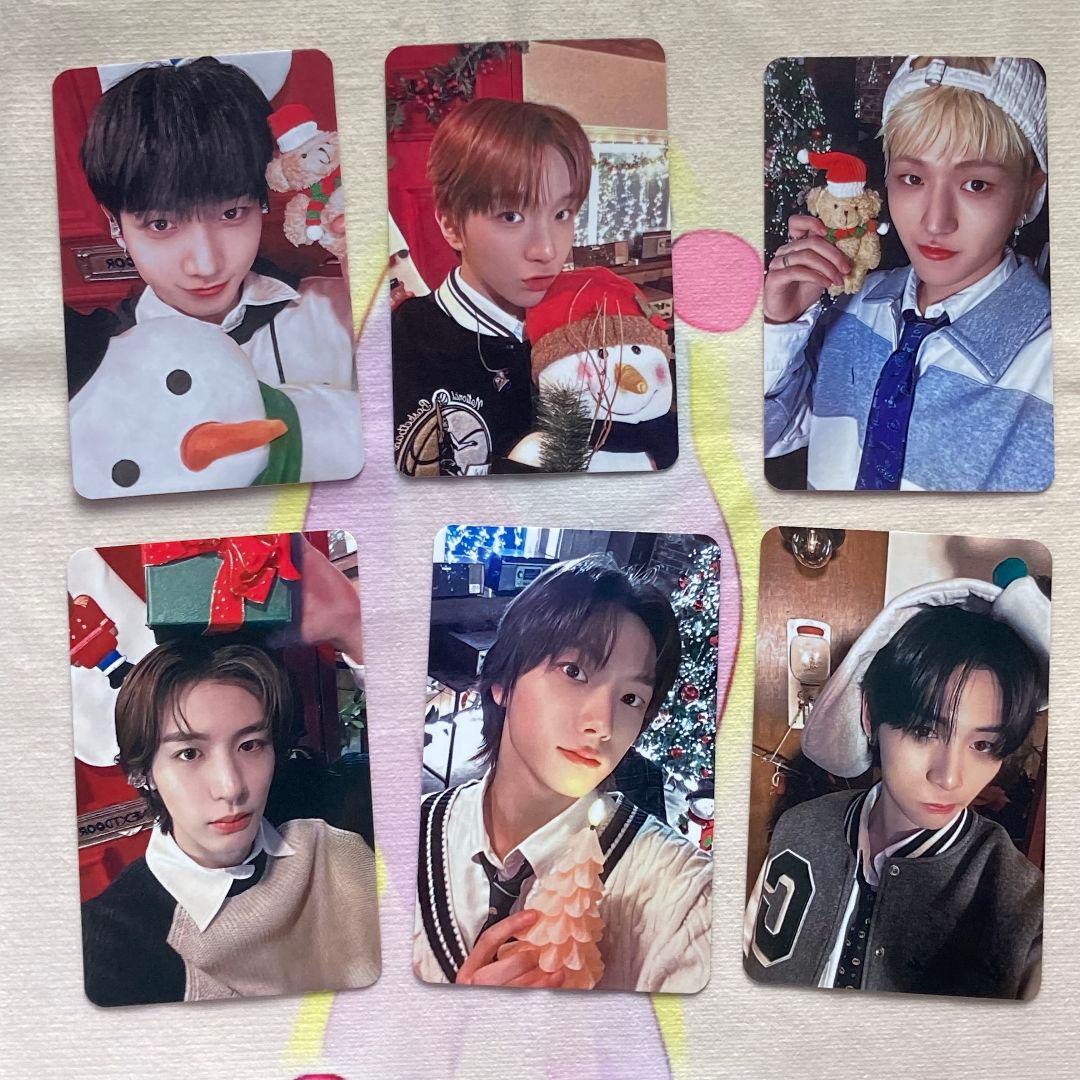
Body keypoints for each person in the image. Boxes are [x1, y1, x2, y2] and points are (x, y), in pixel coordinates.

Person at [414, 555, 713, 992]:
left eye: (631, 698)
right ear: (503, 682)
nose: (603, 724)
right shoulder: (411, 834)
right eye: (575, 672)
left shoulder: (679, 892)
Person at [64, 56, 362, 494]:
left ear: (262, 202)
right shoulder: (98, 376)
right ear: (115, 224)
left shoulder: (341, 312)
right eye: (161, 224)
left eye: (231, 213)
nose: (205, 264)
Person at [744, 575, 1049, 998]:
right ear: (871, 715)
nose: (949, 778)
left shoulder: (1020, 903)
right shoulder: (800, 828)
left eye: (983, 745)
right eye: (924, 731)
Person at [764, 56, 1051, 491]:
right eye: (913, 178)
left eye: (976, 184)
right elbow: (766, 437)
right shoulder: (852, 307)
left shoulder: (1054, 364)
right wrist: (780, 325)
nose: (935, 221)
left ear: (1030, 192)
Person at [81, 640, 380, 1005]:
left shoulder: (335, 811)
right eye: (189, 753)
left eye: (250, 745)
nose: (231, 788)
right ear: (143, 772)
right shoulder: (113, 943)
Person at [391, 98, 593, 476]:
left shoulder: (588, 322)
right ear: (451, 225)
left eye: (562, 213)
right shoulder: (398, 346)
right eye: (511, 216)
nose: (546, 250)